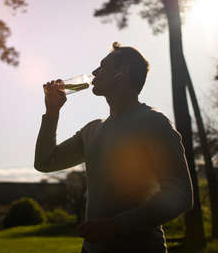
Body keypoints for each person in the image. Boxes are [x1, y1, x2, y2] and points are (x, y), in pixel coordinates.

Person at [34, 42, 193, 253]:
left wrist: (116, 226)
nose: (94, 72)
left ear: (122, 71)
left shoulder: (154, 123)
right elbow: (45, 162)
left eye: (102, 66)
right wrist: (52, 113)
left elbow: (180, 195)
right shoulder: (92, 130)